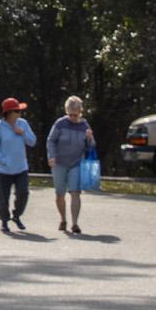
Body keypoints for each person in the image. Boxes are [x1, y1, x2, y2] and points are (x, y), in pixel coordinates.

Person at [47, 95, 97, 234]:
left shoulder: (84, 125)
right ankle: (63, 219)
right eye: (71, 114)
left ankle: (75, 223)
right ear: (67, 111)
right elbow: (51, 140)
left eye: (76, 114)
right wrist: (51, 156)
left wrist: (90, 138)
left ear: (81, 112)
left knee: (75, 193)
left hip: (76, 163)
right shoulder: (60, 123)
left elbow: (91, 146)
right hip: (59, 163)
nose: (73, 117)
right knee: (60, 193)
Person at [0, 98, 36, 232]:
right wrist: (3, 159)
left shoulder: (23, 124)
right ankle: (4, 220)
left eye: (20, 111)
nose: (20, 114)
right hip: (3, 168)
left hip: (21, 167)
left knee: (23, 193)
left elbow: (32, 142)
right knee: (3, 196)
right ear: (8, 113)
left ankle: (17, 215)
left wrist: (23, 133)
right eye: (17, 111)